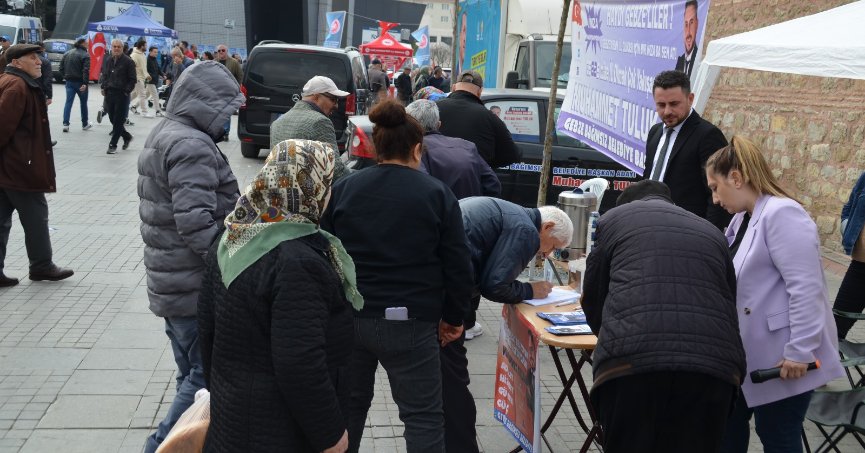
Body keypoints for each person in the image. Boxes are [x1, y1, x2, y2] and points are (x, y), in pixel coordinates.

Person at [321, 99, 472, 453]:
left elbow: (324, 255)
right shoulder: (436, 194)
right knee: (422, 417)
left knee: (348, 411)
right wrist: (454, 317)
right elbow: (458, 264)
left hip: (352, 319)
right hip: (413, 323)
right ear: (417, 149)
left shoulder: (343, 190)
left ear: (376, 147)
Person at [198, 139, 361, 452]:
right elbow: (300, 363)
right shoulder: (298, 262)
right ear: (309, 187)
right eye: (327, 182)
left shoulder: (233, 233)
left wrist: (221, 391)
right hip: (282, 431)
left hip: (233, 419)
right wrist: (331, 435)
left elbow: (206, 328)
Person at [581, 180, 746, 453]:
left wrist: (611, 335)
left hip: (632, 366)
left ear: (628, 205)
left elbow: (594, 295)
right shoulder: (711, 231)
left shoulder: (613, 219)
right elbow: (728, 298)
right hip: (714, 369)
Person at [706, 136, 844, 453]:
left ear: (736, 178)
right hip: (746, 356)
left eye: (715, 187)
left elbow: (807, 289)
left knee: (778, 438)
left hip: (783, 359)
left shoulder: (782, 214)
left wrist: (800, 350)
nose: (714, 198)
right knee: (725, 431)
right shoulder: (743, 218)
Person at [137, 60, 245, 453]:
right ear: (206, 102)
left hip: (173, 283)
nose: (229, 119)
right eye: (226, 109)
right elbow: (196, 223)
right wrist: (233, 263)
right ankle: (162, 446)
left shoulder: (167, 132)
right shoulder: (191, 144)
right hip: (193, 287)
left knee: (192, 375)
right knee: (203, 379)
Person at [442, 197, 571, 452]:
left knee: (445, 382)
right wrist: (531, 290)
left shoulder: (512, 214)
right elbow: (496, 285)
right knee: (453, 386)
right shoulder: (525, 230)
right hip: (440, 300)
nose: (546, 254)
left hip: (440, 291)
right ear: (547, 227)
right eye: (552, 246)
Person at [0, 44, 74, 287]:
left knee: (1, 221)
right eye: (33, 58)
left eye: (39, 57)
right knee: (36, 218)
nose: (39, 62)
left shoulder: (10, 81)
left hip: (9, 167)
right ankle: (41, 266)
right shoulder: (18, 86)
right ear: (17, 62)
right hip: (20, 168)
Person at [643, 69, 730, 230]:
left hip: (687, 232)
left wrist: (708, 236)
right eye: (661, 105)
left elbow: (718, 195)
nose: (667, 111)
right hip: (650, 227)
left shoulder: (707, 135)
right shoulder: (655, 133)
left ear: (690, 99)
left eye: (674, 104)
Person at [405, 99, 500, 199]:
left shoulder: (415, 150)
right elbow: (493, 184)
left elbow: (420, 190)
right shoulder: (468, 146)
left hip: (438, 213)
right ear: (438, 125)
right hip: (471, 211)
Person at [270, 76, 350, 180]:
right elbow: (336, 170)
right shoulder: (320, 121)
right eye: (333, 99)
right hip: (308, 194)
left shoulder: (277, 123)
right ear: (316, 97)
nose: (336, 106)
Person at [437, 70, 521, 169]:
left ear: (453, 87)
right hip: (472, 179)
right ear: (480, 91)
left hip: (436, 178)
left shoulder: (434, 108)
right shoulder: (490, 117)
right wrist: (486, 164)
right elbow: (513, 155)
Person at [834, 171, 865, 338]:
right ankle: (836, 364)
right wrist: (849, 233)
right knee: (835, 326)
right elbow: (848, 208)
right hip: (860, 267)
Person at [100, 39, 136, 154]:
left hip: (122, 94)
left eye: (118, 47)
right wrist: (103, 87)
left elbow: (132, 79)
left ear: (122, 48)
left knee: (118, 120)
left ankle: (113, 144)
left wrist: (126, 91)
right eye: (114, 46)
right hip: (109, 93)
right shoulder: (109, 59)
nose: (116, 49)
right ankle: (126, 136)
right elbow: (105, 75)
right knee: (112, 118)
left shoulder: (128, 61)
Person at [58, 38, 92, 133]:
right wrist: (85, 83)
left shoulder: (67, 53)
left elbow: (61, 68)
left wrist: (65, 76)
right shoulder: (85, 55)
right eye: (86, 43)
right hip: (80, 82)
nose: (88, 45)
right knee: (83, 103)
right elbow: (85, 70)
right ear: (82, 44)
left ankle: (65, 124)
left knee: (68, 103)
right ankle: (84, 124)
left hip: (69, 82)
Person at [215, 44, 242, 141]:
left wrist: (236, 88)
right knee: (217, 111)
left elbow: (240, 76)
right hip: (216, 91)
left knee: (226, 112)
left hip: (229, 91)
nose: (221, 52)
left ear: (226, 51)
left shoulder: (234, 62)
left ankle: (226, 132)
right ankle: (218, 131)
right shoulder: (215, 62)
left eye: (223, 50)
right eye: (219, 51)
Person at [675, 0, 700, 79]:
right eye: (686, 24)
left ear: (697, 24)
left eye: (691, 23)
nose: (688, 32)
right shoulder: (680, 62)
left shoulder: (699, 60)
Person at [129, 40, 150, 116]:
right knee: (142, 95)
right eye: (145, 45)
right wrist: (135, 77)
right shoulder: (134, 55)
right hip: (137, 78)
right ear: (142, 46)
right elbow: (131, 67)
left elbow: (143, 68)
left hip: (142, 78)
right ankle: (144, 112)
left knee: (134, 94)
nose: (146, 47)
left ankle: (123, 102)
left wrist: (147, 75)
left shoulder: (143, 55)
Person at [144, 46, 163, 118]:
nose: (156, 53)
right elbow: (146, 71)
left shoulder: (154, 59)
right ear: (150, 52)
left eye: (157, 52)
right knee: (155, 96)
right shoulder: (147, 60)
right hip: (150, 81)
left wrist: (162, 74)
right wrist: (151, 76)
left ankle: (134, 106)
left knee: (146, 96)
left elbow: (158, 68)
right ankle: (158, 111)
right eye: (155, 52)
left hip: (154, 80)